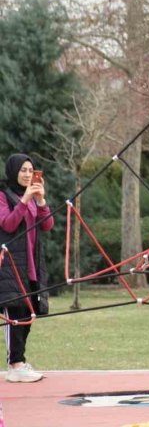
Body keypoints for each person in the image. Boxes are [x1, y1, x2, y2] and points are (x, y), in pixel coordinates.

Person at [0, 154, 53, 383]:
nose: (28, 175)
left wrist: (40, 201)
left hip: (31, 262)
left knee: (28, 312)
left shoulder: (32, 197)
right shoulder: (3, 196)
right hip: (11, 264)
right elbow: (9, 224)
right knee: (14, 312)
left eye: (31, 171)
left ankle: (20, 361)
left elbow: (48, 225)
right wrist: (24, 202)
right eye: (23, 170)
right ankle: (15, 365)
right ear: (13, 171)